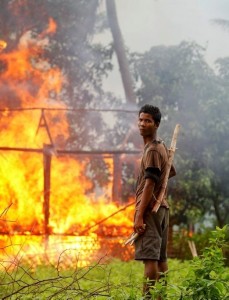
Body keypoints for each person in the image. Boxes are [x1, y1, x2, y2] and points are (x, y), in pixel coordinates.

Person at [134, 104, 176, 299]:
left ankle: (149, 298)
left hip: (151, 209)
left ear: (156, 124)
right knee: (161, 258)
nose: (143, 124)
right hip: (162, 208)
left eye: (148, 120)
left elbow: (150, 182)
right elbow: (169, 172)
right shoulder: (161, 146)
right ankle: (162, 297)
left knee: (150, 258)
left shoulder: (152, 150)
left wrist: (139, 214)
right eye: (141, 120)